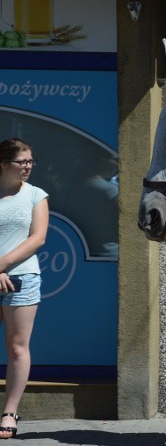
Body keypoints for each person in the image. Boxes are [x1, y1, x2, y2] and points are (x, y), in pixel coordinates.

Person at [0, 138, 49, 439]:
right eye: (22, 161)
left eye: (31, 161)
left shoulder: (36, 195)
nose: (28, 166)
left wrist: (1, 264)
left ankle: (9, 412)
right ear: (4, 165)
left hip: (22, 278)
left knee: (18, 347)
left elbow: (38, 238)